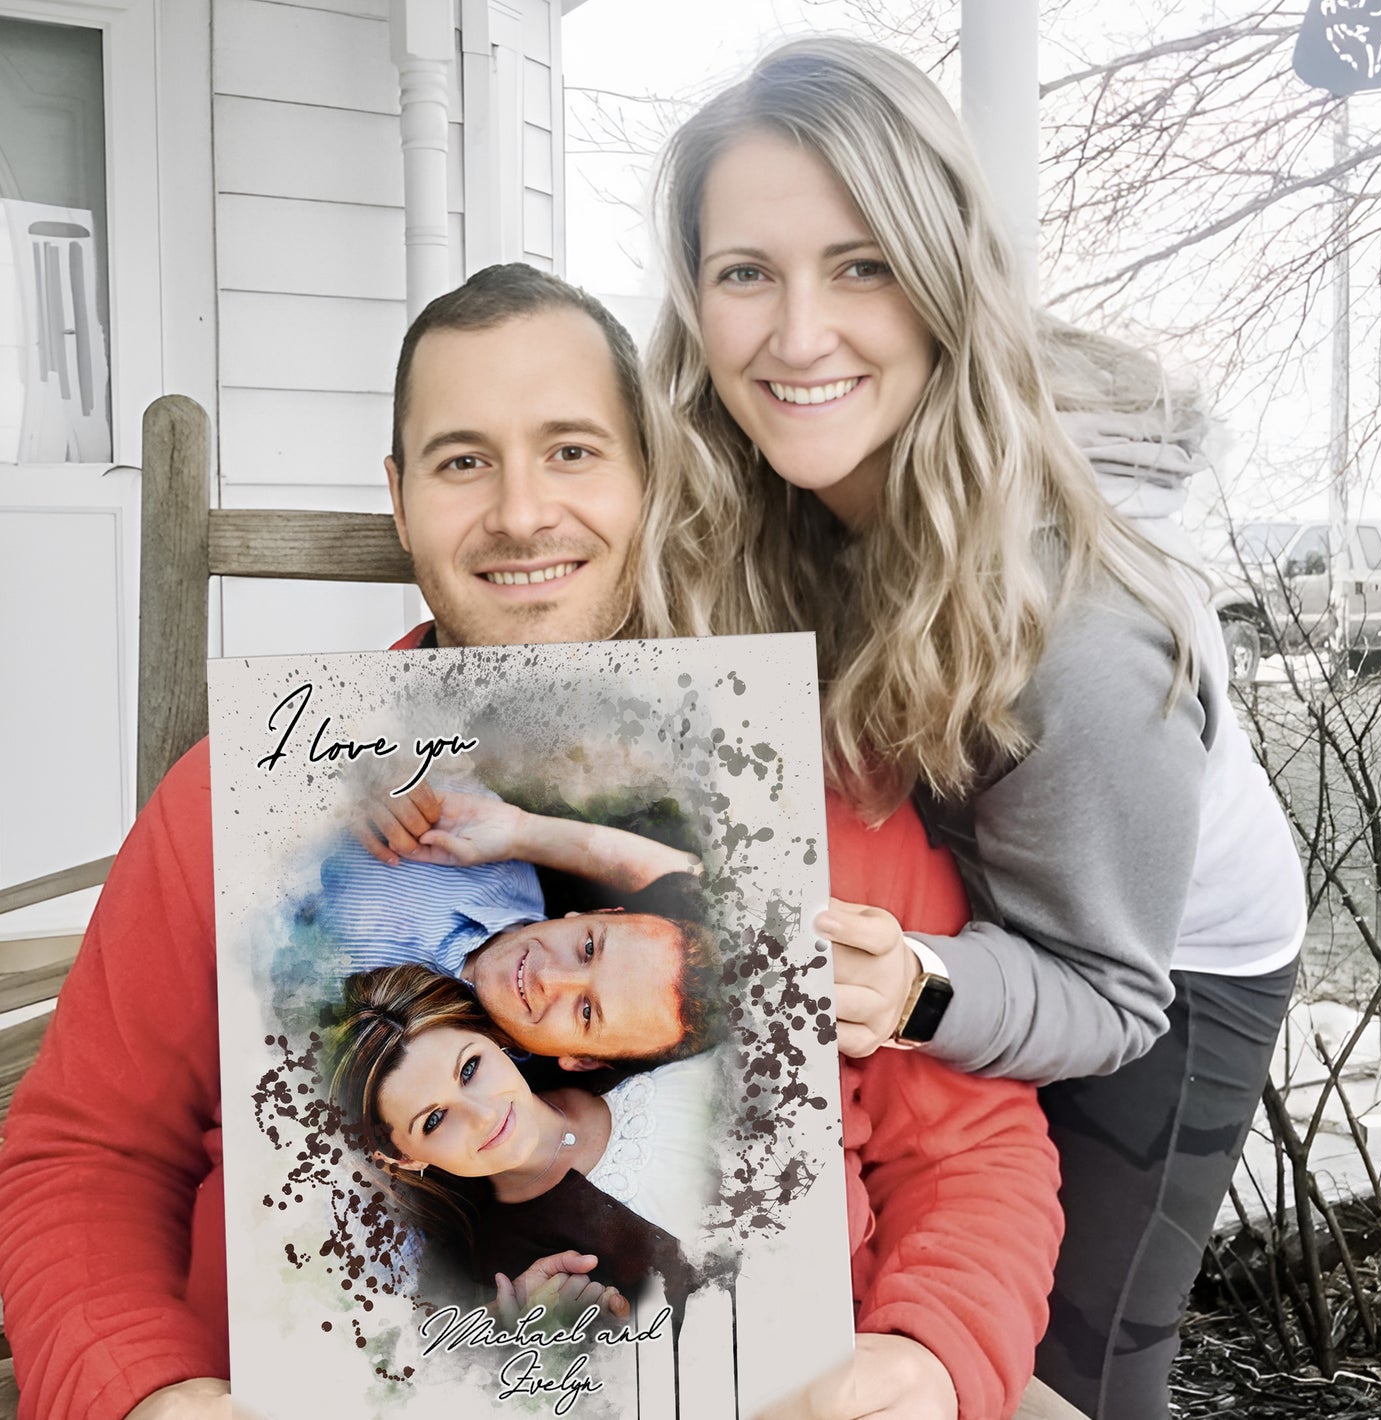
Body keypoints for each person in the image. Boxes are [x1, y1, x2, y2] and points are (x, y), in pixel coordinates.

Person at [0, 262, 1062, 1420]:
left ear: (648, 481)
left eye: (570, 450)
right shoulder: (252, 801)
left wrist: (934, 1354)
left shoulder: (804, 780)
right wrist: (142, 1392)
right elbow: (81, 1158)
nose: (519, 513)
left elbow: (972, 1146)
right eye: (464, 461)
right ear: (401, 499)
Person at [644, 36, 1305, 1420]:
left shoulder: (1084, 635)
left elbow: (1111, 992)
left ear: (944, 279)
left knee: (1071, 1368)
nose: (797, 333)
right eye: (745, 273)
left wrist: (924, 991)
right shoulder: (733, 476)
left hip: (1155, 961)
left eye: (862, 263)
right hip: (935, 899)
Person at [327, 963, 712, 1306]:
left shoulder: (609, 1036)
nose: (482, 1115)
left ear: (491, 1036)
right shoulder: (519, 1280)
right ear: (403, 1157)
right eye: (434, 1120)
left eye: (469, 1069)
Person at [312, 779, 718, 1071]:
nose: (550, 977)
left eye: (588, 1012)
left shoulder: (430, 1087)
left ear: (581, 1060)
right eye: (589, 947)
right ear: (591, 916)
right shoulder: (477, 832)